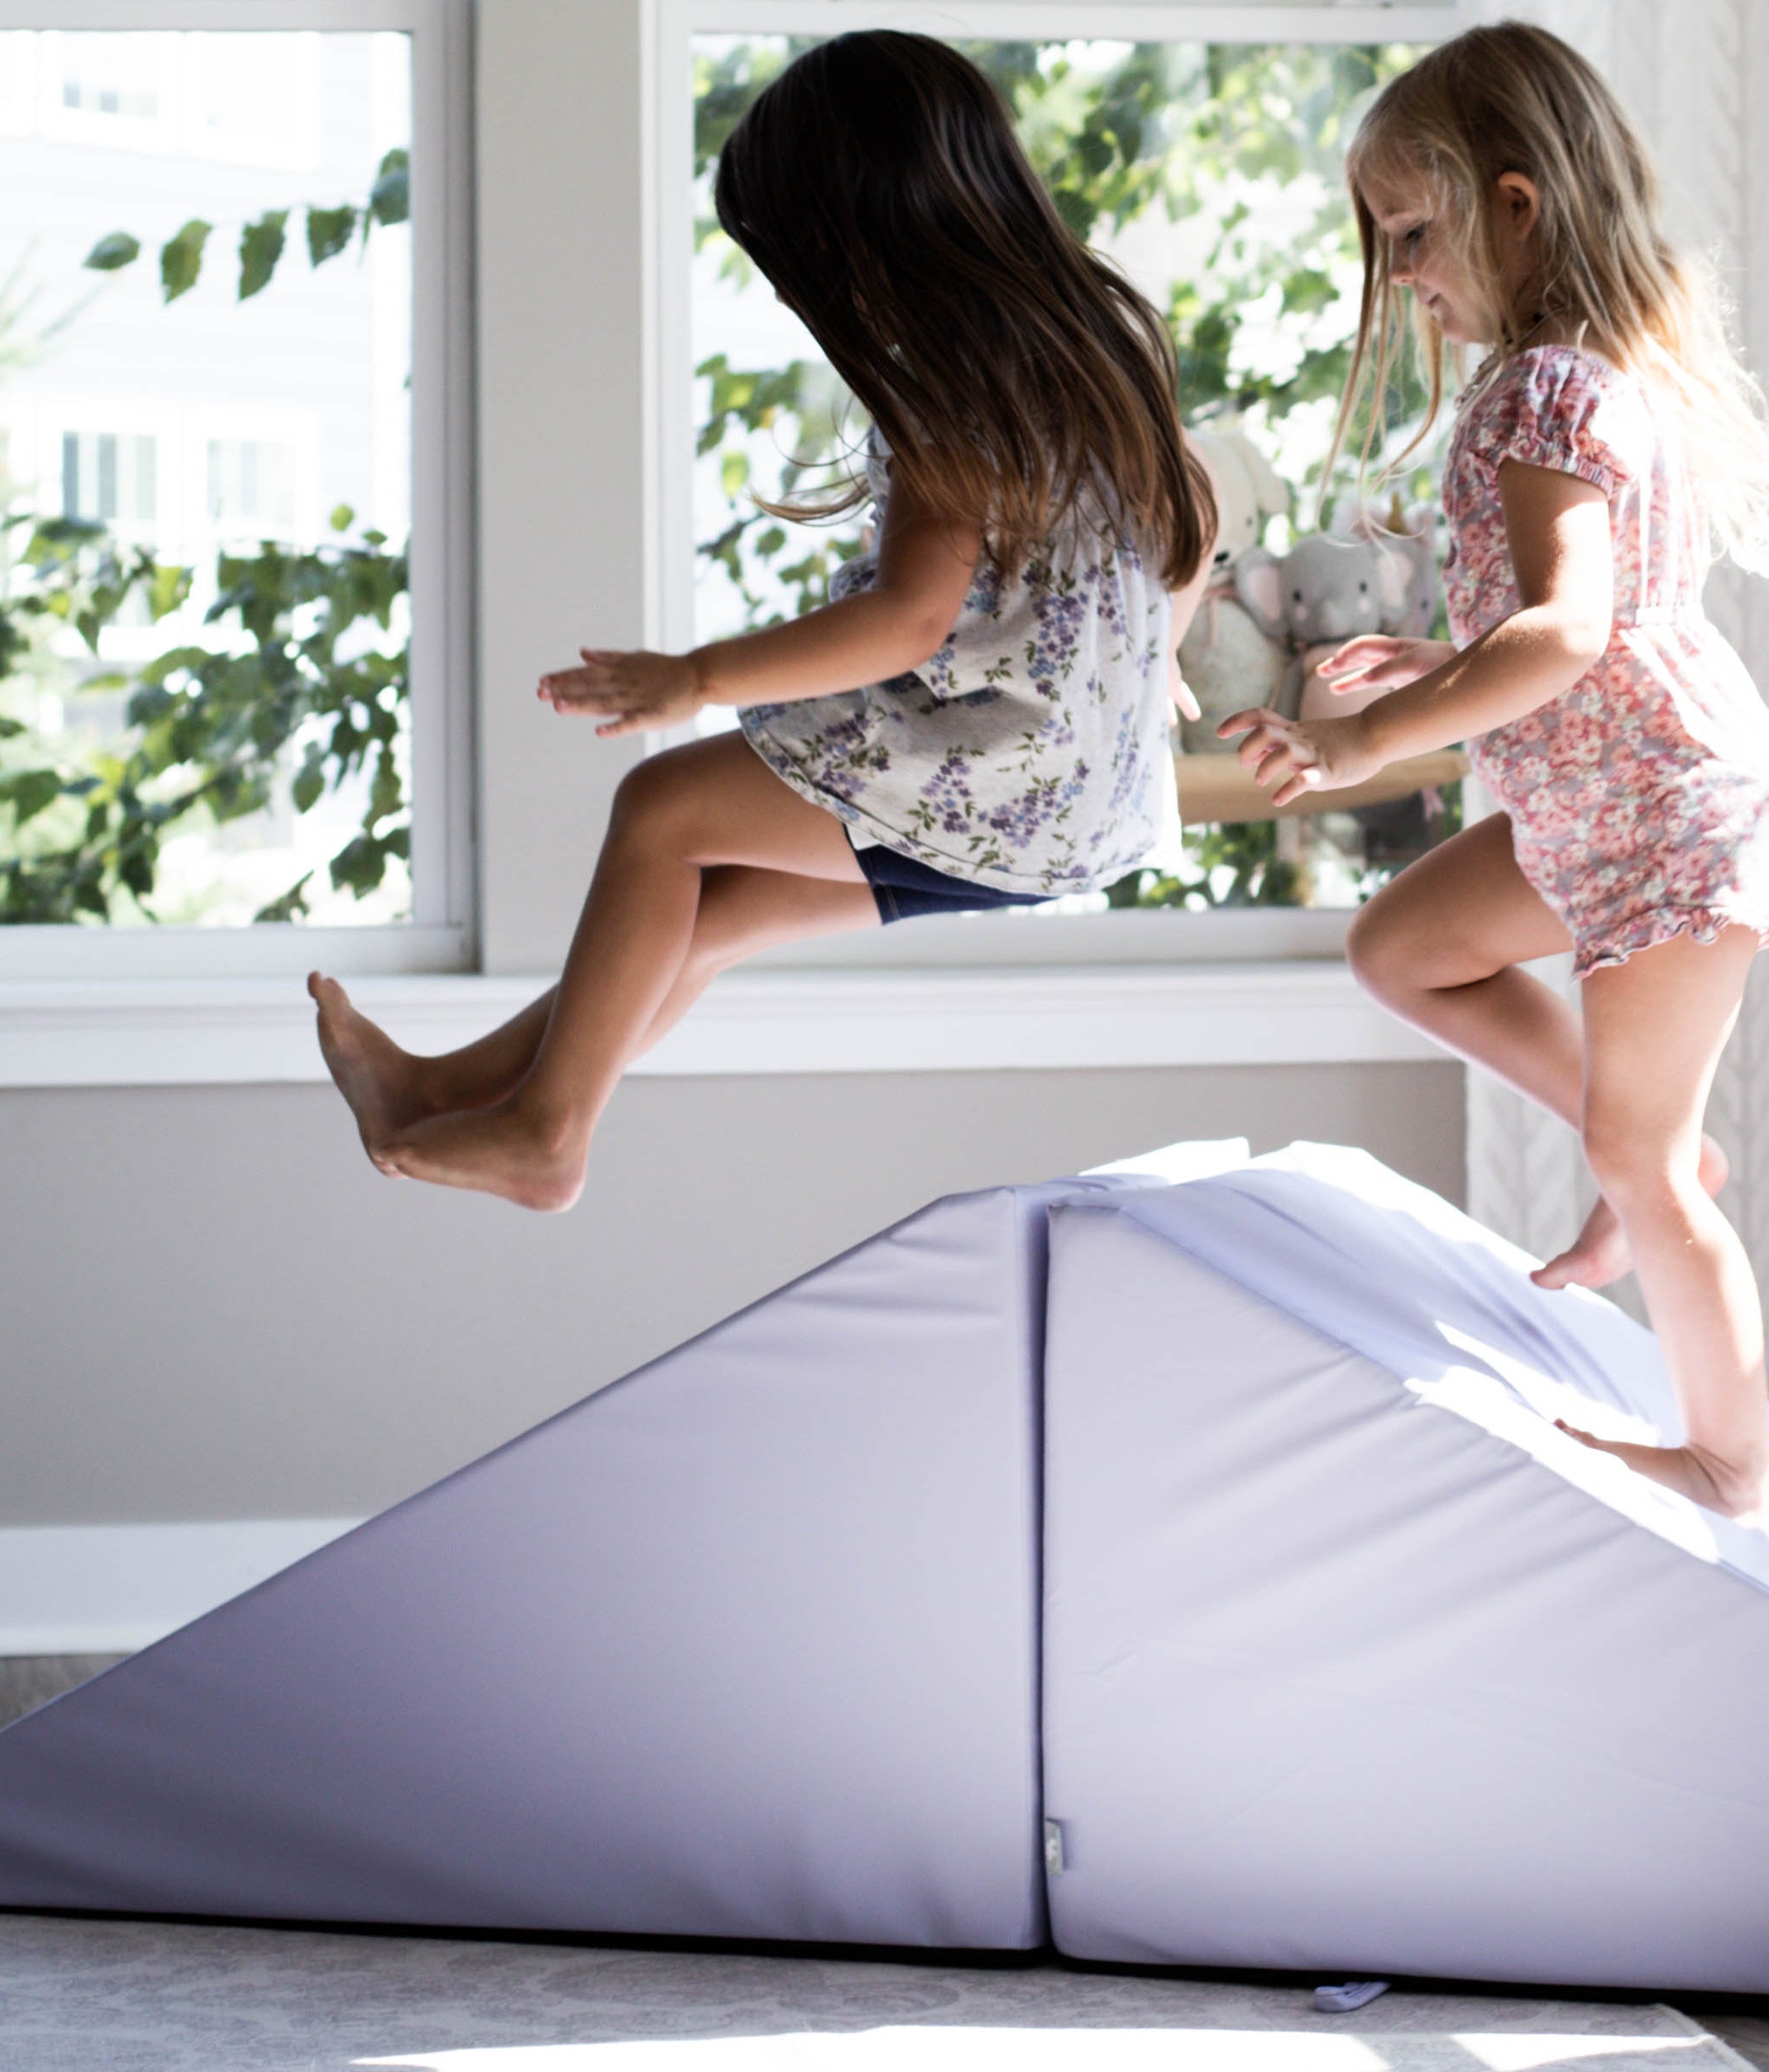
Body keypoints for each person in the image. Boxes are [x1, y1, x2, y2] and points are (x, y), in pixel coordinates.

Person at [312, 31, 1211, 1210]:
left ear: (869, 241)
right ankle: (447, 1095)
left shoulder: (958, 393)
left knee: (660, 810)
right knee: (707, 901)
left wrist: (696, 677)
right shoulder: (1102, 334)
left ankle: (547, 1133)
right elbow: (1191, 507)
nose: (808, 304)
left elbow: (906, 623)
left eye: (805, 275)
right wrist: (1143, 659)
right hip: (1089, 798)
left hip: (1002, 775)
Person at [1219, 23, 1769, 1519]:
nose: (1405, 274)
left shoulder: (1550, 388)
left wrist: (1363, 740)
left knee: (1645, 1156)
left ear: (1519, 202)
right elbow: (1554, 627)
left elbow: (1570, 628)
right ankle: (1646, 1157)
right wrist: (1441, 658)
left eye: (1415, 235)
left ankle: (1728, 1457)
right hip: (1592, 802)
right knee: (1405, 949)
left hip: (1668, 812)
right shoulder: (1566, 378)